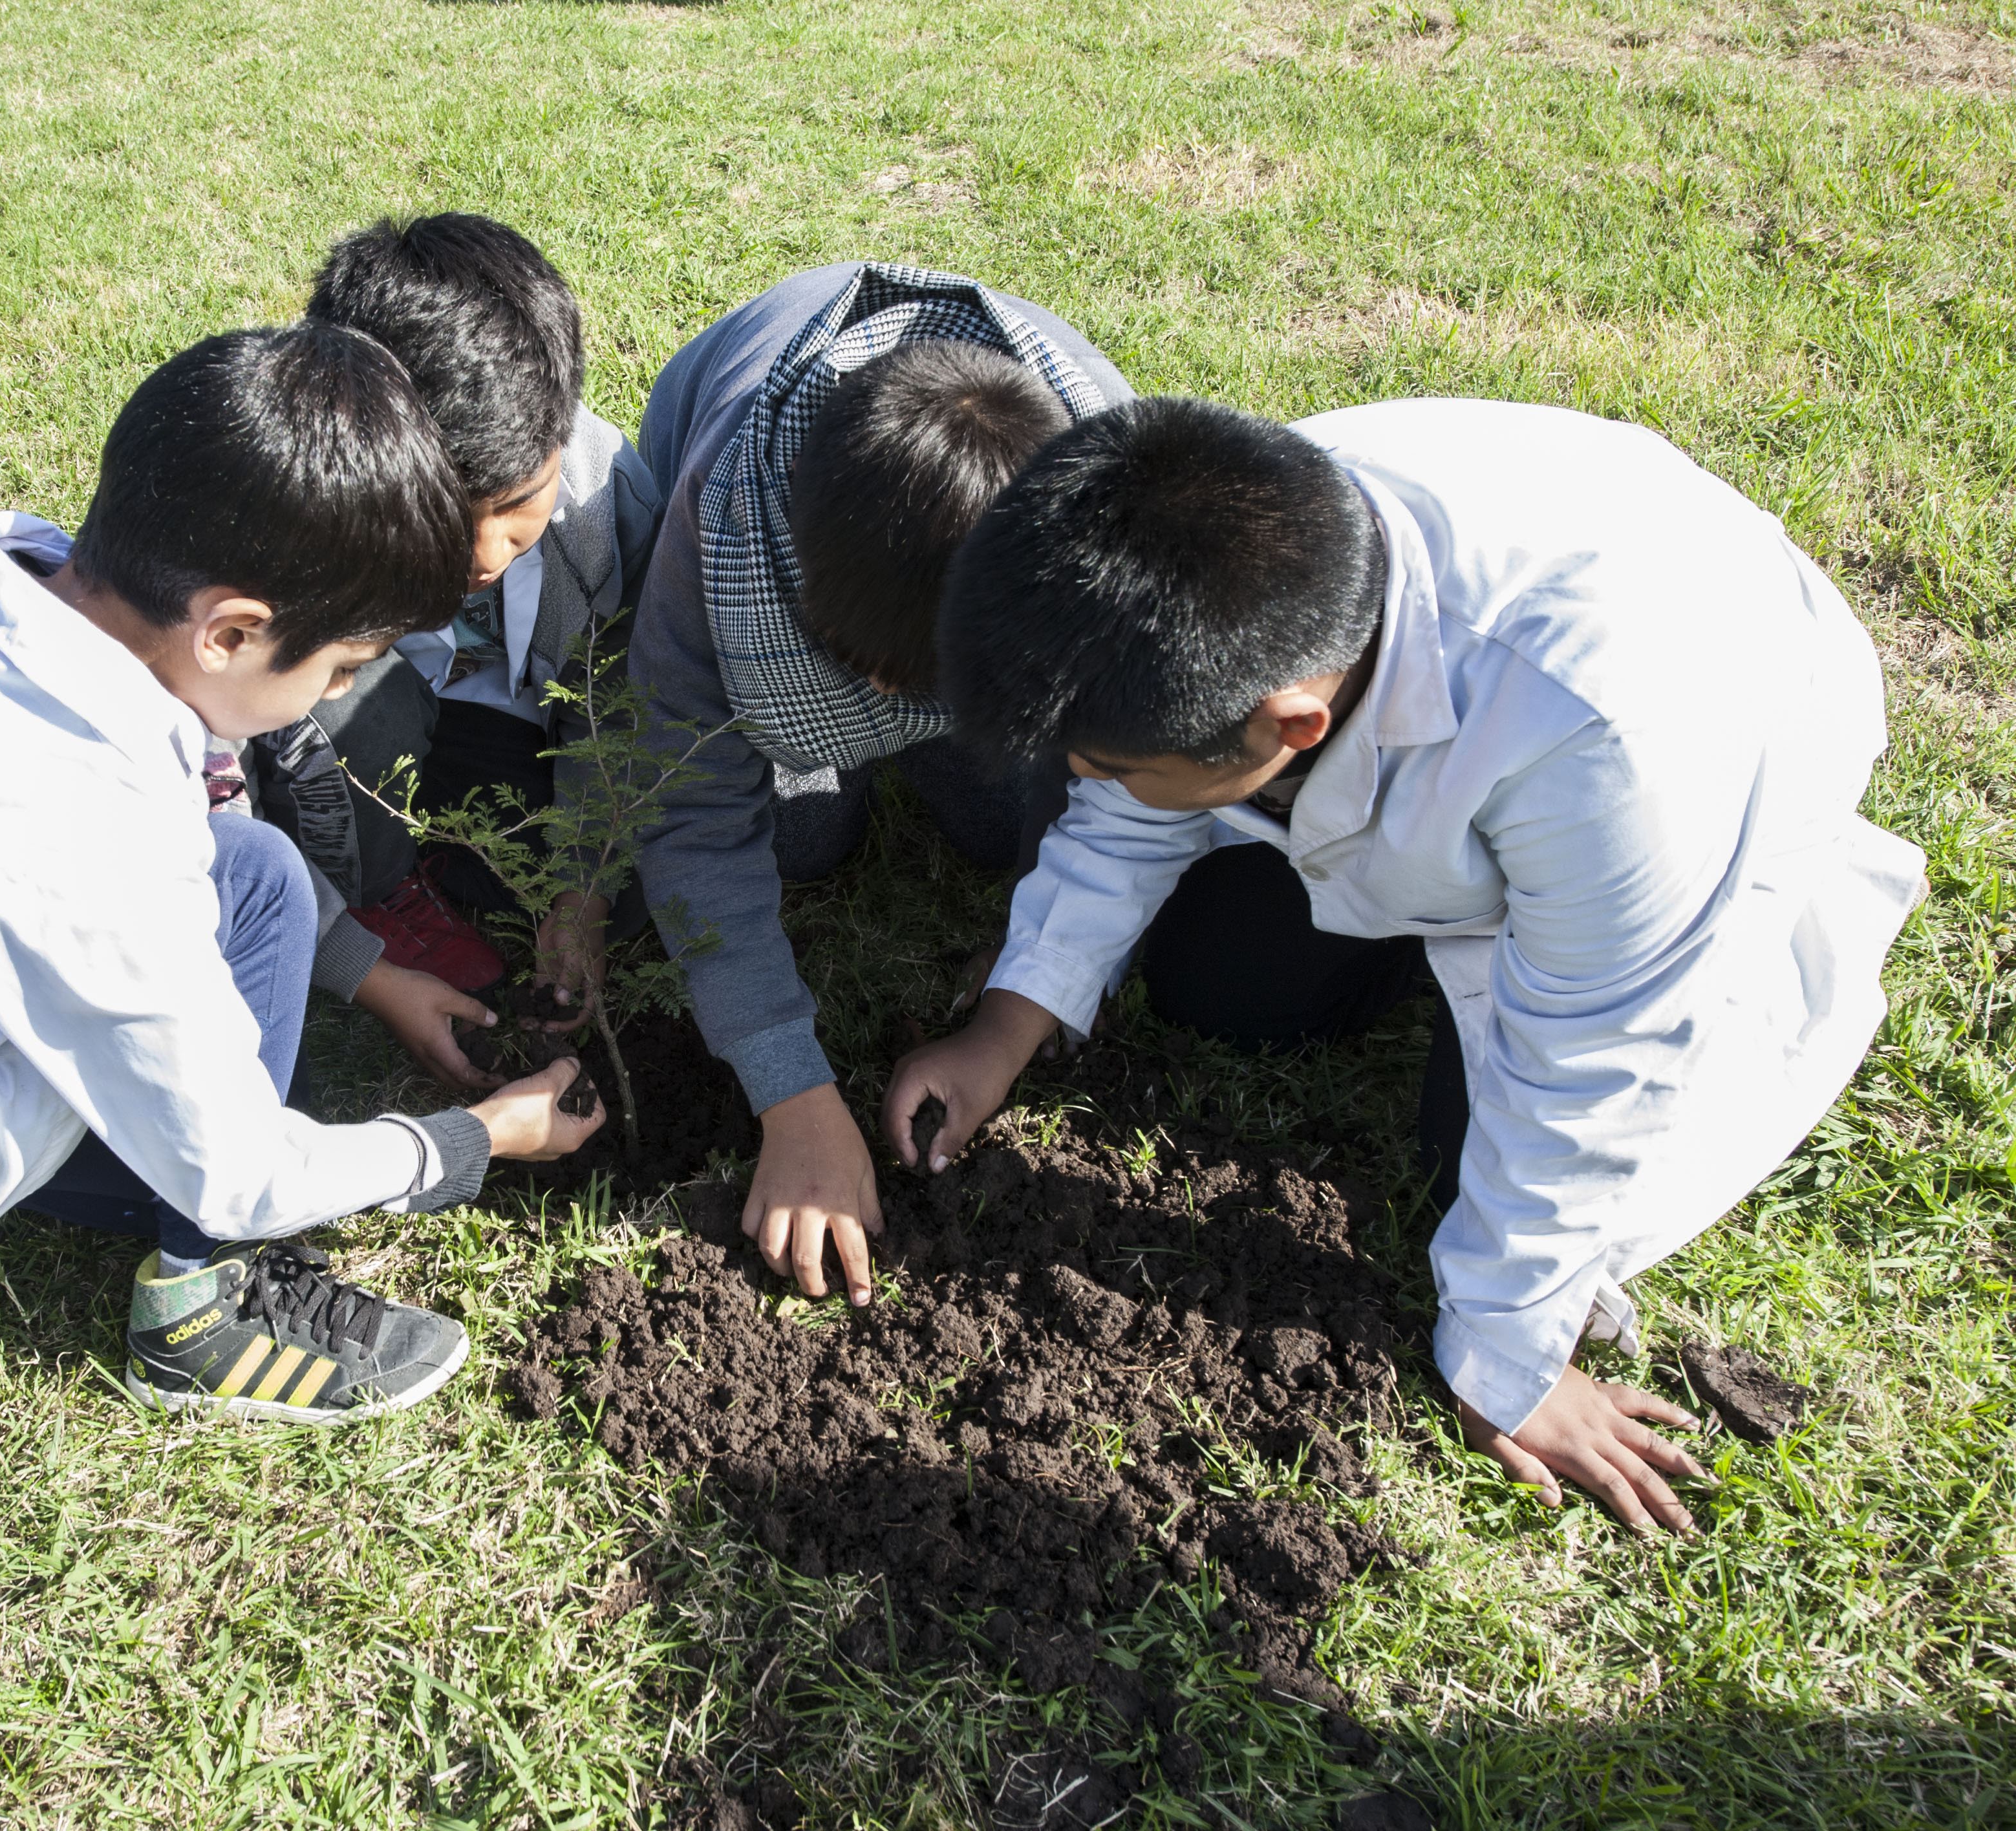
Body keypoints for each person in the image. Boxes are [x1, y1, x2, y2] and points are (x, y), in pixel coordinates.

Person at [888, 395, 1924, 1530]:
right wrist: (1007, 1024)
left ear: (1291, 728)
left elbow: (1600, 1056)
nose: (1090, 785)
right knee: (1220, 990)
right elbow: (1128, 801)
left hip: (1695, 764)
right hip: (1458, 755)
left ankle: (1471, 927)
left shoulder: (1615, 745)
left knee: (1471, 1162)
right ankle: (1427, 906)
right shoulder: (1223, 556)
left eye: (1111, 765)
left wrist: (1507, 1357)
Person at [0, 323, 603, 1424]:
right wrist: (475, 1140)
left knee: (247, 875)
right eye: (341, 668)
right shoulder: (70, 820)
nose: (331, 699)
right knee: (258, 901)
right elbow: (242, 1173)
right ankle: (196, 1316)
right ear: (229, 633)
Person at [627, 262, 1134, 1308]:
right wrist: (794, 1097)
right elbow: (688, 809)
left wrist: (1027, 986)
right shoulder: (720, 518)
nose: (880, 691)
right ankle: (832, 737)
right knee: (801, 840)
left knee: (1005, 827)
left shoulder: (1107, 500)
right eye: (857, 669)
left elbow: (1121, 778)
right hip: (742, 518)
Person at [245, 213, 663, 1089]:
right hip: (373, 728)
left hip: (519, 724)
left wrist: (583, 883)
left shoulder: (608, 503)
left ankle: (451, 862)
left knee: (638, 878)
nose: (480, 557)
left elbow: (611, 701)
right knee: (357, 725)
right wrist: (359, 967)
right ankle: (380, 884)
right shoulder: (297, 528)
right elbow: (211, 801)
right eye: (440, 519)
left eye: (517, 505)